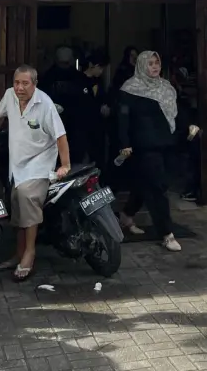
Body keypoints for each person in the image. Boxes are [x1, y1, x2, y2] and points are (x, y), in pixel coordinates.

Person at [0, 64, 70, 282]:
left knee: (27, 197)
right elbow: (0, 114)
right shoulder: (9, 96)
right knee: (15, 204)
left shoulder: (45, 104)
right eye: (17, 83)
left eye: (25, 83)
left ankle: (30, 253)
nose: (20, 88)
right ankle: (19, 253)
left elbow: (60, 136)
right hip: (17, 164)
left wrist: (65, 165)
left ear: (35, 84)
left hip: (40, 162)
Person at [117, 50, 199, 253]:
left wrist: (189, 126)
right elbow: (122, 121)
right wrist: (124, 143)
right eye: (150, 63)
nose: (154, 67)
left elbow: (177, 112)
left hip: (167, 144)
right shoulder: (130, 90)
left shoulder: (166, 88)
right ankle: (166, 234)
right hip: (144, 146)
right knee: (158, 188)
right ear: (142, 65)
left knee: (145, 184)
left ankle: (126, 215)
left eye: (157, 63)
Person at [39, 46, 87, 164]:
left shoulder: (47, 76)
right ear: (71, 60)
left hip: (55, 125)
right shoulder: (78, 77)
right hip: (75, 125)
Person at [78, 49, 110, 164]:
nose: (101, 71)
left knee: (98, 158)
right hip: (83, 127)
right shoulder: (79, 80)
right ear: (94, 66)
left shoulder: (99, 81)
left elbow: (103, 98)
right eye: (100, 68)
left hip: (98, 126)